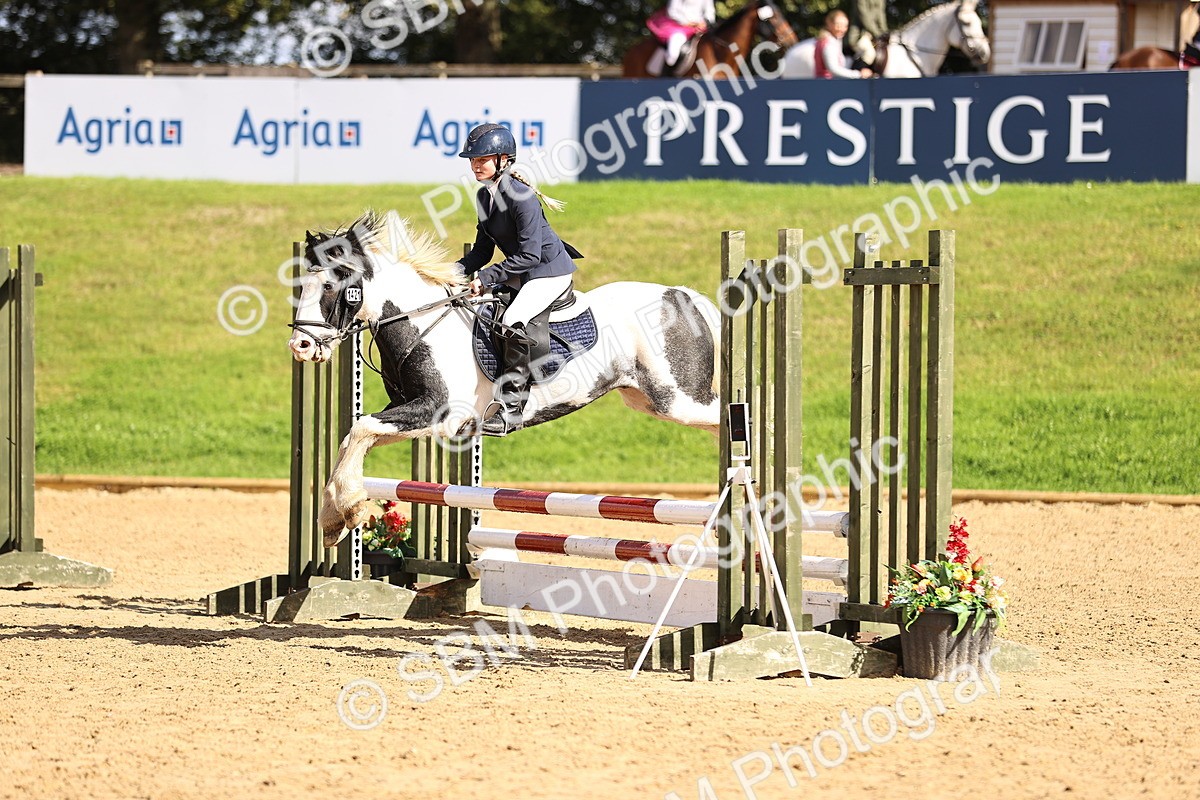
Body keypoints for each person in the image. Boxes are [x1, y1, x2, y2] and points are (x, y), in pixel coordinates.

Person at [456, 123, 579, 437]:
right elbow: (483, 251)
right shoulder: (485, 198)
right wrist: (451, 272)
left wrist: (487, 278)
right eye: (472, 160)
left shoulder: (520, 196)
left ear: (503, 159)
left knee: (512, 319)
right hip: (521, 270)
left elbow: (530, 256)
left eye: (482, 159)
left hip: (547, 272)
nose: (475, 165)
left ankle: (512, 409)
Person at [647, 0, 717, 70]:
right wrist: (690, 23)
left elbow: (710, 12)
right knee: (673, 54)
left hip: (700, 28)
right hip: (679, 27)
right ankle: (666, 75)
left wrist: (705, 23)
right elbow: (672, 12)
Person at [814, 10, 872, 78]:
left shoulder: (833, 41)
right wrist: (859, 74)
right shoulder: (828, 43)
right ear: (829, 23)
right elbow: (833, 69)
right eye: (838, 25)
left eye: (845, 26)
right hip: (828, 85)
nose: (841, 29)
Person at [845, 0, 887, 66]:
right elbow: (863, 17)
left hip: (873, 35)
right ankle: (859, 72)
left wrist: (884, 32)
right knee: (870, 54)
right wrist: (878, 33)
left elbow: (881, 14)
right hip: (859, 35)